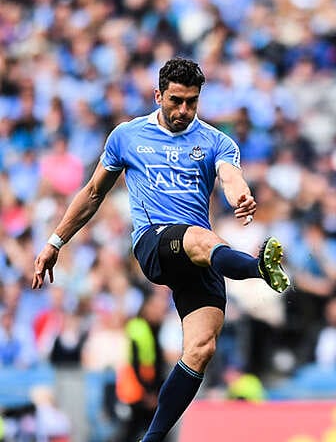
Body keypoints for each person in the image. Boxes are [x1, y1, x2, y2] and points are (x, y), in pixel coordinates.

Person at [31, 57, 290, 442]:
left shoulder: (216, 141)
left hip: (198, 254)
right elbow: (92, 193)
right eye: (176, 101)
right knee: (202, 238)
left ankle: (151, 439)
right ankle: (258, 269)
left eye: (192, 102)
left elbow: (231, 176)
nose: (184, 110)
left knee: (201, 348)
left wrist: (241, 197)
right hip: (155, 244)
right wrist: (56, 241)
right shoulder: (127, 137)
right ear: (158, 96)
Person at [116, 292, 168, 442]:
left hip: (145, 388)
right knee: (132, 430)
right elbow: (136, 362)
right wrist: (148, 392)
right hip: (137, 388)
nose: (159, 312)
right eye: (155, 307)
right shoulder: (138, 328)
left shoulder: (153, 328)